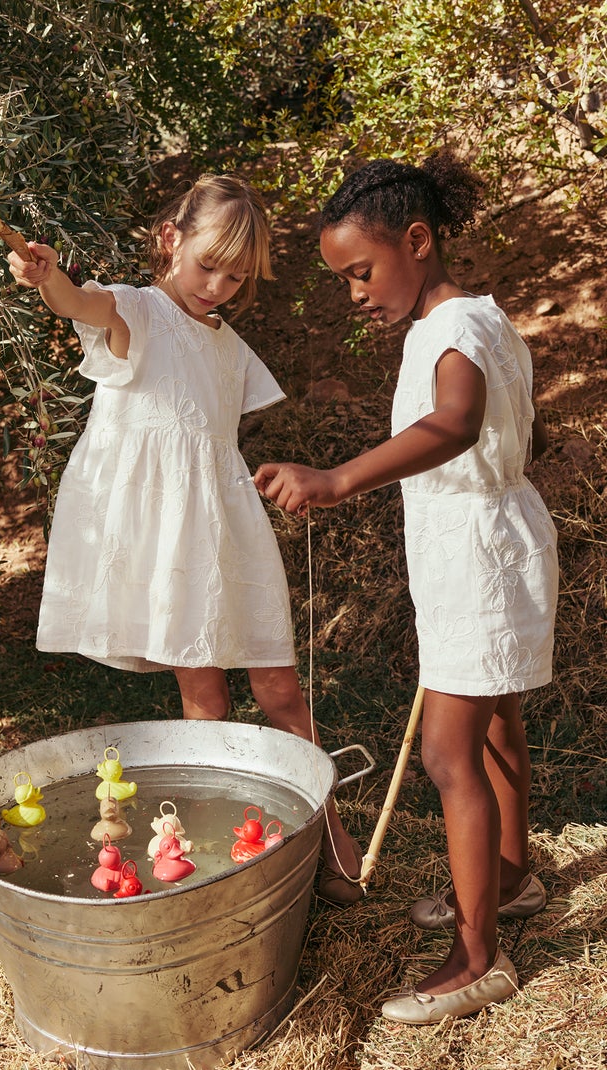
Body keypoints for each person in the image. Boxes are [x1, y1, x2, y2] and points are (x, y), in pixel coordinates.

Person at [254, 153, 558, 1023]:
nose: (353, 293)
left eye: (361, 271)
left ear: (417, 241)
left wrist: (339, 478)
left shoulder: (453, 328)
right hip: (490, 541)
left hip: (477, 551)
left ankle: (476, 960)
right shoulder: (476, 315)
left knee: (444, 755)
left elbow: (456, 423)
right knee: (495, 721)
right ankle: (508, 879)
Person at [6, 172, 362, 904]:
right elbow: (81, 303)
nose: (220, 287)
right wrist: (49, 280)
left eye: (237, 276)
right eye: (208, 266)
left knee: (280, 687)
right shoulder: (135, 310)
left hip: (223, 526)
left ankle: (326, 833)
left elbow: (207, 440)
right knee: (203, 692)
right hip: (167, 537)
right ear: (170, 240)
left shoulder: (228, 348)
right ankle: (231, 851)